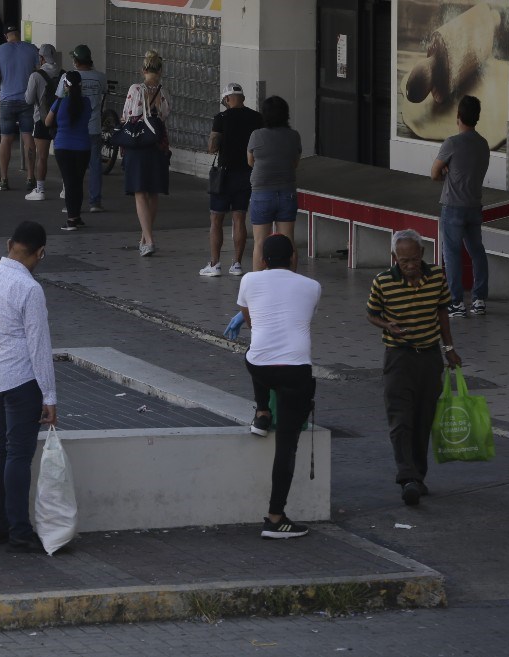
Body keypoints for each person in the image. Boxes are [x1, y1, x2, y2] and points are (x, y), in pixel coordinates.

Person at [0, 221, 57, 554]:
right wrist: (50, 396)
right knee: (18, 455)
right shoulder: (30, 289)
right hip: (21, 381)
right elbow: (39, 347)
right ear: (40, 252)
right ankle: (20, 531)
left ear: (9, 244)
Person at [365, 229, 462, 506]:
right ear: (395, 257)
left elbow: (443, 311)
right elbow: (372, 314)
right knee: (400, 418)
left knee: (423, 418)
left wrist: (449, 348)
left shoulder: (436, 277)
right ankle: (407, 476)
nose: (409, 266)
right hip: (398, 357)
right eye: (404, 260)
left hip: (430, 356)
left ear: (422, 255)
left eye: (414, 260)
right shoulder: (382, 281)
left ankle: (418, 476)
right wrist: (388, 326)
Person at [235, 235, 321, 539]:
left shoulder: (248, 280)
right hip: (297, 371)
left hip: (260, 366)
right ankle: (275, 517)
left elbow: (251, 322)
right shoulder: (312, 286)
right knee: (286, 445)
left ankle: (261, 412)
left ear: (262, 260)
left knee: (257, 357)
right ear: (294, 257)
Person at [431, 95, 491, 317]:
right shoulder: (483, 144)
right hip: (474, 205)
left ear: (458, 117)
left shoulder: (452, 143)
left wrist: (447, 172)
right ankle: (479, 300)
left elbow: (434, 173)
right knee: (477, 251)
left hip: (453, 206)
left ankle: (456, 302)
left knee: (452, 253)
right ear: (477, 118)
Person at [201, 82, 262, 277]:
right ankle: (236, 264)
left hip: (224, 175)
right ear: (242, 98)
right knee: (239, 218)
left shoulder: (221, 117)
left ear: (227, 99)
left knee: (216, 219)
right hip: (246, 174)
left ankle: (215, 263)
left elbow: (212, 147)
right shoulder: (257, 118)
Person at [122, 49, 172, 256]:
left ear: (143, 69)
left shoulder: (135, 89)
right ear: (160, 70)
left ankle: (149, 240)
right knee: (153, 192)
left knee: (140, 192)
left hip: (138, 145)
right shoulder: (164, 93)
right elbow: (165, 116)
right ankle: (145, 237)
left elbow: (126, 116)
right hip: (158, 146)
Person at [247, 96, 301, 271]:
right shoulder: (294, 136)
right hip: (287, 193)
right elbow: (295, 163)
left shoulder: (257, 135)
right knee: (288, 240)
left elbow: (250, 161)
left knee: (260, 243)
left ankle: (257, 285)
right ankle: (291, 280)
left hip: (262, 194)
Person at [56, 44, 108, 212]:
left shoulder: (67, 77)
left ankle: (71, 204)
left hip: (73, 129)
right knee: (95, 165)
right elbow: (104, 93)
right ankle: (95, 202)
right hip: (93, 126)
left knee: (71, 170)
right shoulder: (100, 77)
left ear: (76, 61)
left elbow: (60, 99)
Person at [0, 25, 38, 191]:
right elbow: (39, 72)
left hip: (7, 100)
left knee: (6, 139)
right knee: (27, 137)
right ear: (19, 34)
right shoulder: (32, 49)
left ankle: (3, 179)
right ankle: (31, 177)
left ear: (6, 36)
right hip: (27, 99)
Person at [47, 70, 92, 231]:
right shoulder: (86, 102)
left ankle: (71, 219)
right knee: (78, 182)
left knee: (69, 182)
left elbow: (47, 122)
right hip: (83, 147)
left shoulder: (60, 102)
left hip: (63, 147)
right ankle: (77, 216)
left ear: (65, 85)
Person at [24, 44, 62, 202]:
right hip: (61, 120)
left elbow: (28, 99)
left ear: (41, 58)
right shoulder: (64, 74)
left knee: (42, 157)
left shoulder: (36, 76)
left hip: (41, 120)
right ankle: (66, 188)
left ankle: (40, 190)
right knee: (63, 157)